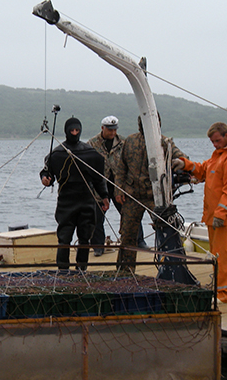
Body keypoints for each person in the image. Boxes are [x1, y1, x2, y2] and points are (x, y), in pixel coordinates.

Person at [177, 122, 227, 303]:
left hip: (223, 215)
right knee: (224, 251)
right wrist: (184, 164)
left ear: (226, 136)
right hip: (214, 214)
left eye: (217, 140)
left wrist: (220, 214)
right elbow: (202, 170)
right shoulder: (218, 156)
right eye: (212, 142)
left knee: (223, 254)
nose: (215, 144)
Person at [114, 114, 187, 272]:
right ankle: (125, 271)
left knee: (165, 231)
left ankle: (171, 269)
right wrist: (118, 189)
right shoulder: (130, 141)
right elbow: (121, 168)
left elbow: (182, 157)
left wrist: (180, 163)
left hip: (155, 197)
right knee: (127, 235)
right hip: (132, 195)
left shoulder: (164, 142)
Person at [39, 117, 110, 270]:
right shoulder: (57, 154)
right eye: (72, 130)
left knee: (85, 237)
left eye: (77, 130)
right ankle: (63, 269)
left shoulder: (90, 154)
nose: (74, 133)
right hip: (66, 200)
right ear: (66, 131)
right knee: (64, 237)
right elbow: (47, 173)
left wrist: (104, 196)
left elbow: (98, 178)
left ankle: (82, 269)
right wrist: (45, 179)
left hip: (87, 199)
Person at [87, 115, 145, 256]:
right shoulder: (92, 144)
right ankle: (98, 246)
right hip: (101, 186)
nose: (112, 133)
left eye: (114, 130)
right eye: (109, 130)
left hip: (120, 186)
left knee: (130, 213)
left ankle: (139, 241)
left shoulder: (124, 142)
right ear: (102, 128)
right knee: (97, 216)